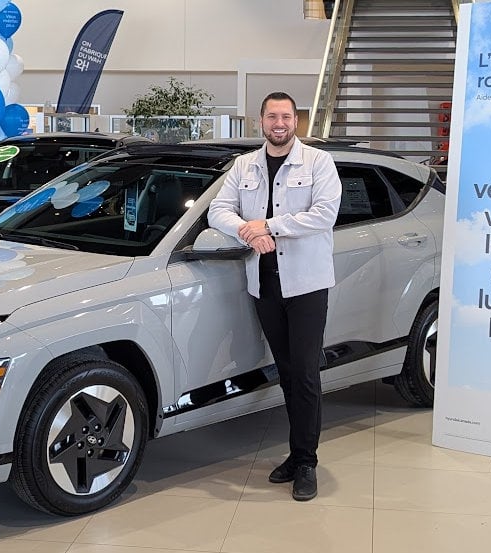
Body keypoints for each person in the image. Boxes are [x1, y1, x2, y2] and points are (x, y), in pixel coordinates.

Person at [208, 92, 342, 502]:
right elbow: (217, 210)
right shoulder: (244, 165)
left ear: (296, 121)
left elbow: (324, 214)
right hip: (263, 284)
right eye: (271, 116)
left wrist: (267, 225)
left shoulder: (319, 162)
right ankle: (296, 451)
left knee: (304, 372)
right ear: (261, 121)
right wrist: (247, 230)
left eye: (286, 116)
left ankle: (306, 462)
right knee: (285, 371)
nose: (278, 123)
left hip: (306, 285)